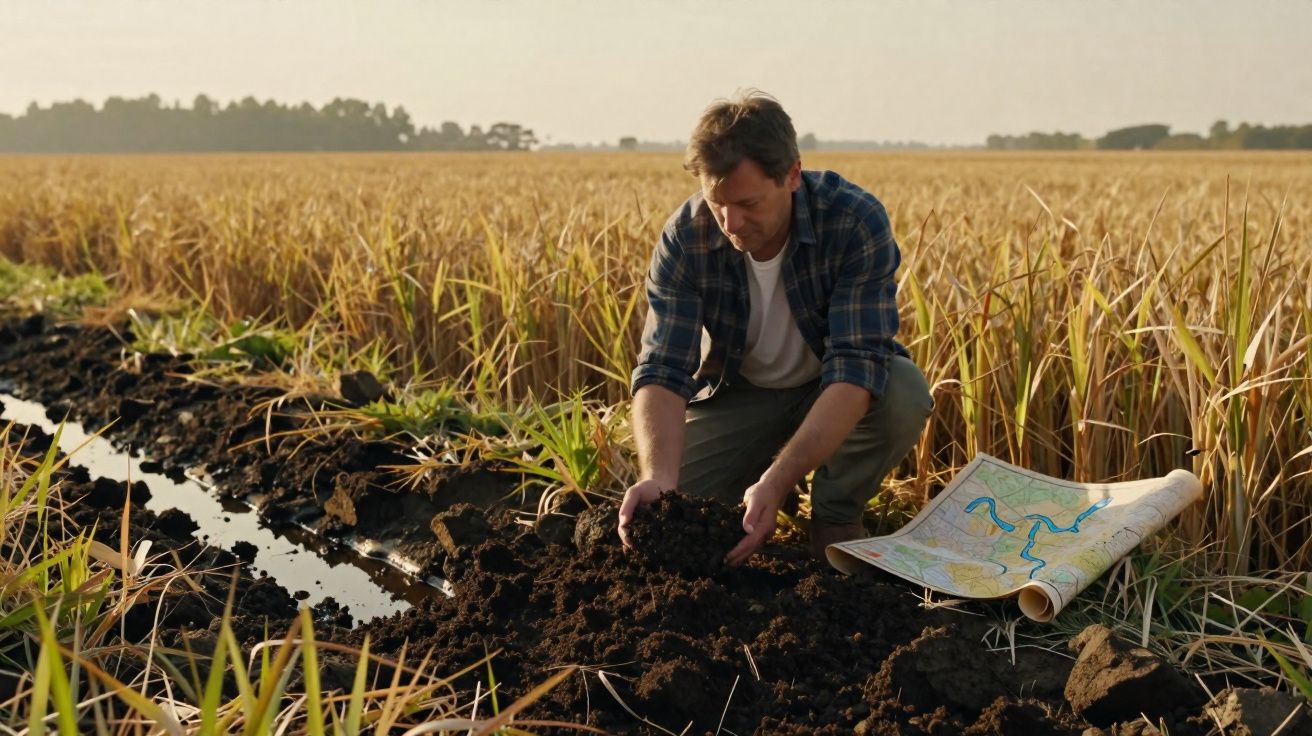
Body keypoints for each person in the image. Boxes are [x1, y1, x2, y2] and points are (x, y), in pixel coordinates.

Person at [616, 90, 934, 565]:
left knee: (903, 392)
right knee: (674, 509)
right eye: (717, 203)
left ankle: (834, 515)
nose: (731, 223)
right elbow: (662, 368)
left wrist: (777, 481)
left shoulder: (852, 220)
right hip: (739, 396)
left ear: (792, 175)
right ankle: (752, 497)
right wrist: (658, 477)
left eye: (748, 203)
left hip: (829, 388)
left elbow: (856, 369)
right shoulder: (687, 235)